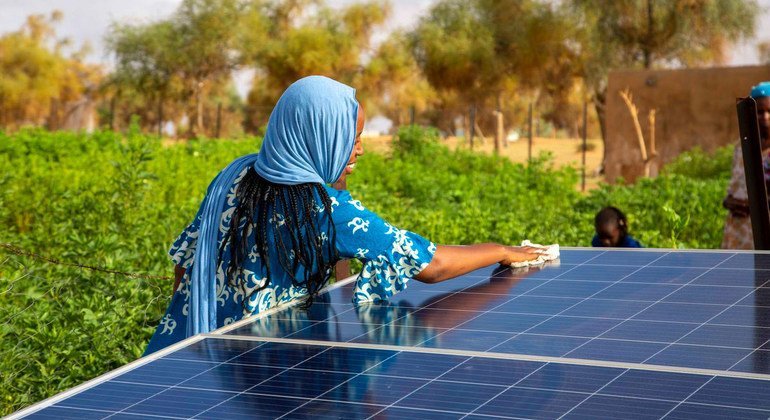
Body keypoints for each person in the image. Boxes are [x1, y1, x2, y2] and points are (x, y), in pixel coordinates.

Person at [144, 76, 543, 355]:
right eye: (350, 139)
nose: (360, 150)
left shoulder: (234, 175)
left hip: (183, 353)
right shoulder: (328, 211)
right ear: (318, 136)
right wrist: (500, 250)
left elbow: (186, 267)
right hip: (257, 363)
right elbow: (432, 265)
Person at [722, 82, 770, 249]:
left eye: (768, 112)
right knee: (736, 273)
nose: (764, 117)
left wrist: (754, 206)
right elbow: (734, 185)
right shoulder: (740, 148)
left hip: (762, 230)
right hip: (737, 230)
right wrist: (728, 202)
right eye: (759, 112)